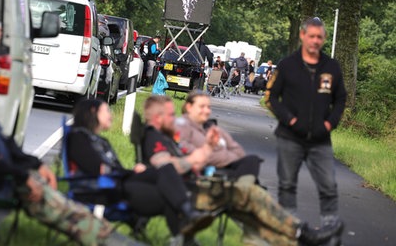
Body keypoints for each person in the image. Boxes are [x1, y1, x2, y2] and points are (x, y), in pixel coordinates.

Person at [142, 95, 344, 246]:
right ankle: (303, 233)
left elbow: (235, 152)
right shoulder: (161, 135)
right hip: (197, 192)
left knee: (251, 195)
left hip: (206, 186)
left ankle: (299, 239)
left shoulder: (189, 131)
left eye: (208, 106)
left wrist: (209, 154)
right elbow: (170, 167)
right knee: (251, 195)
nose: (174, 118)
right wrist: (205, 154)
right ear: (159, 117)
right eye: (170, 115)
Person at [0, 83, 143, 246]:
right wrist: (23, 177)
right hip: (8, 184)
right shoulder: (80, 138)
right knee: (79, 218)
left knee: (81, 217)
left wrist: (37, 165)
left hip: (19, 181)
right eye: (106, 110)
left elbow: (11, 148)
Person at [66, 99, 211, 238]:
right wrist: (131, 172)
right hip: (100, 191)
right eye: (106, 110)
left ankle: (187, 215)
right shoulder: (78, 137)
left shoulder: (100, 140)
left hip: (115, 185)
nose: (110, 115)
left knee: (165, 170)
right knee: (167, 192)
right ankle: (188, 217)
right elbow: (99, 169)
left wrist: (134, 172)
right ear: (93, 111)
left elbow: (109, 169)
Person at [265, 17, 347, 229]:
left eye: (319, 37)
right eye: (311, 36)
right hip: (290, 137)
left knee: (329, 185)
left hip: (321, 139)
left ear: (325, 38)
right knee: (287, 185)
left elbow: (340, 99)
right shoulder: (287, 65)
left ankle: (330, 230)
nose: (315, 41)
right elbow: (272, 97)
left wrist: (329, 124)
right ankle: (288, 229)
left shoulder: (332, 67)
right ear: (302, 36)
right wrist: (290, 120)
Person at [174, 91, 262, 181]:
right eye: (202, 107)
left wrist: (224, 157)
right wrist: (223, 156)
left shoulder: (212, 127)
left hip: (226, 167)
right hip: (206, 172)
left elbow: (239, 151)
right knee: (247, 173)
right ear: (189, 107)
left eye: (208, 107)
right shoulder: (183, 125)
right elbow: (187, 151)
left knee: (252, 160)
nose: (207, 111)